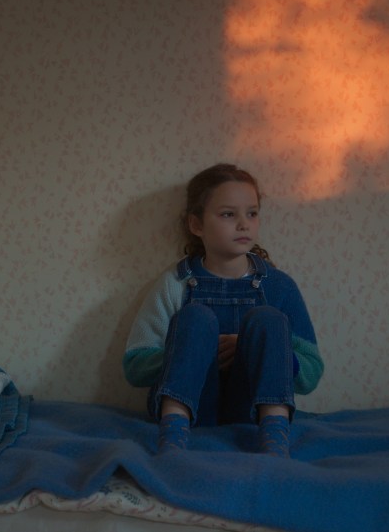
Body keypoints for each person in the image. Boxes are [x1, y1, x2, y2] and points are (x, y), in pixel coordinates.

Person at [123, 163, 323, 457]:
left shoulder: (279, 287)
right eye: (228, 214)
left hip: (252, 413)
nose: (244, 224)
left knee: (267, 319)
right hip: (192, 413)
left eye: (252, 213)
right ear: (197, 225)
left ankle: (276, 442)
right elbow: (135, 367)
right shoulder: (175, 284)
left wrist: (258, 350)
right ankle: (172, 443)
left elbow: (312, 371)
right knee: (196, 318)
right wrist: (192, 350)